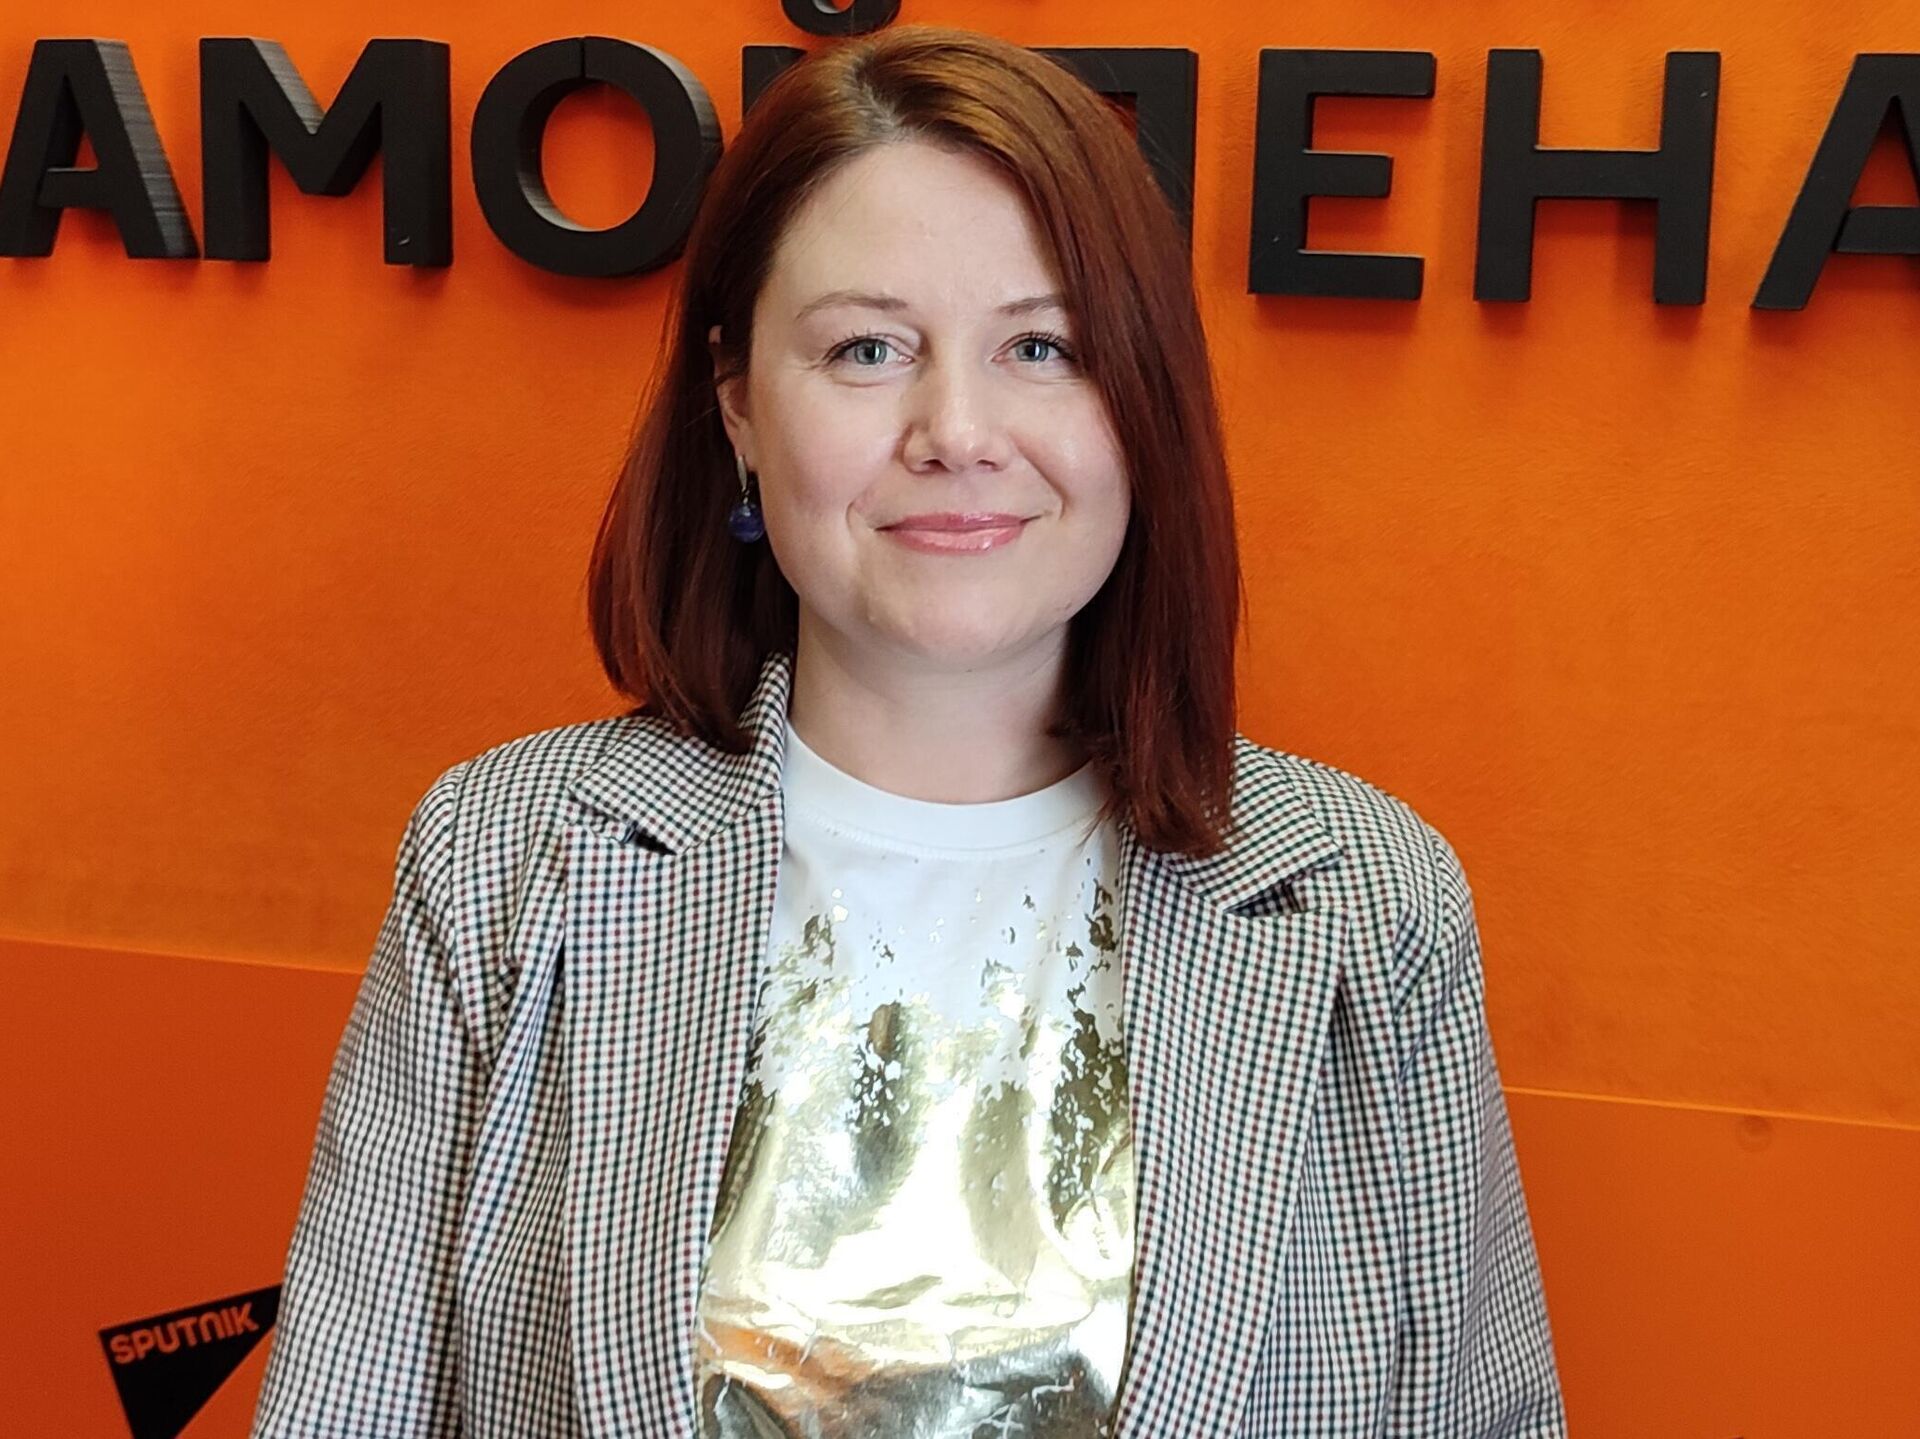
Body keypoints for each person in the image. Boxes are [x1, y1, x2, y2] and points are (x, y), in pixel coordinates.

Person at [250, 22, 1567, 1439]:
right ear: (739, 404)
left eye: (1042, 347)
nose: (957, 430)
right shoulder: (507, 860)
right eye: (867, 348)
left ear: (1144, 402)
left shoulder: (1368, 899)